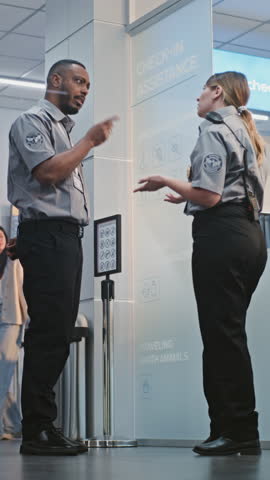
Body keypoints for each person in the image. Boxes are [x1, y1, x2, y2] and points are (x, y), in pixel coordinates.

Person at [134, 71, 268, 456]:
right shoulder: (245, 130)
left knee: (221, 336)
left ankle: (236, 430)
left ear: (216, 92)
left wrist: (167, 181)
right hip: (249, 236)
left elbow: (210, 198)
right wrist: (188, 196)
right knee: (228, 333)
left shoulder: (213, 129)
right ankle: (232, 428)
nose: (197, 99)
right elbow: (227, 188)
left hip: (221, 237)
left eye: (201, 92)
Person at [7, 59, 118, 456]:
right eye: (78, 81)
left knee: (56, 333)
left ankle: (42, 425)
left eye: (87, 84)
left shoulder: (61, 131)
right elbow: (48, 174)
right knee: (49, 334)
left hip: (63, 238)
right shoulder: (32, 121)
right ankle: (37, 429)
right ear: (55, 80)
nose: (84, 90)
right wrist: (89, 142)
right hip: (49, 237)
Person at [0, 226, 28, 440]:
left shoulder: (13, 261)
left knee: (2, 373)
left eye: (1, 236)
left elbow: (22, 289)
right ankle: (13, 426)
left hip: (11, 321)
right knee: (4, 376)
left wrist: (30, 319)